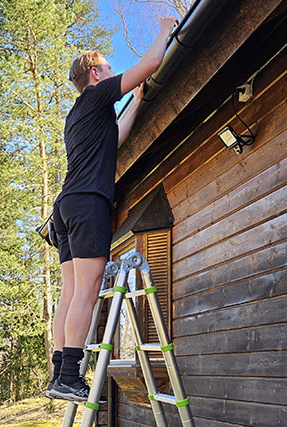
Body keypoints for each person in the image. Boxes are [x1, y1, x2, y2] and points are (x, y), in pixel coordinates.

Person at [47, 17, 179, 401]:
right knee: (86, 293)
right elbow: (151, 65)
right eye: (107, 66)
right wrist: (165, 30)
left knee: (70, 293)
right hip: (88, 204)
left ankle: (59, 374)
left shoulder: (78, 116)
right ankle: (71, 376)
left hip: (66, 206)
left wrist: (136, 102)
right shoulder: (96, 95)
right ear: (94, 73)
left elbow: (115, 141)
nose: (111, 70)